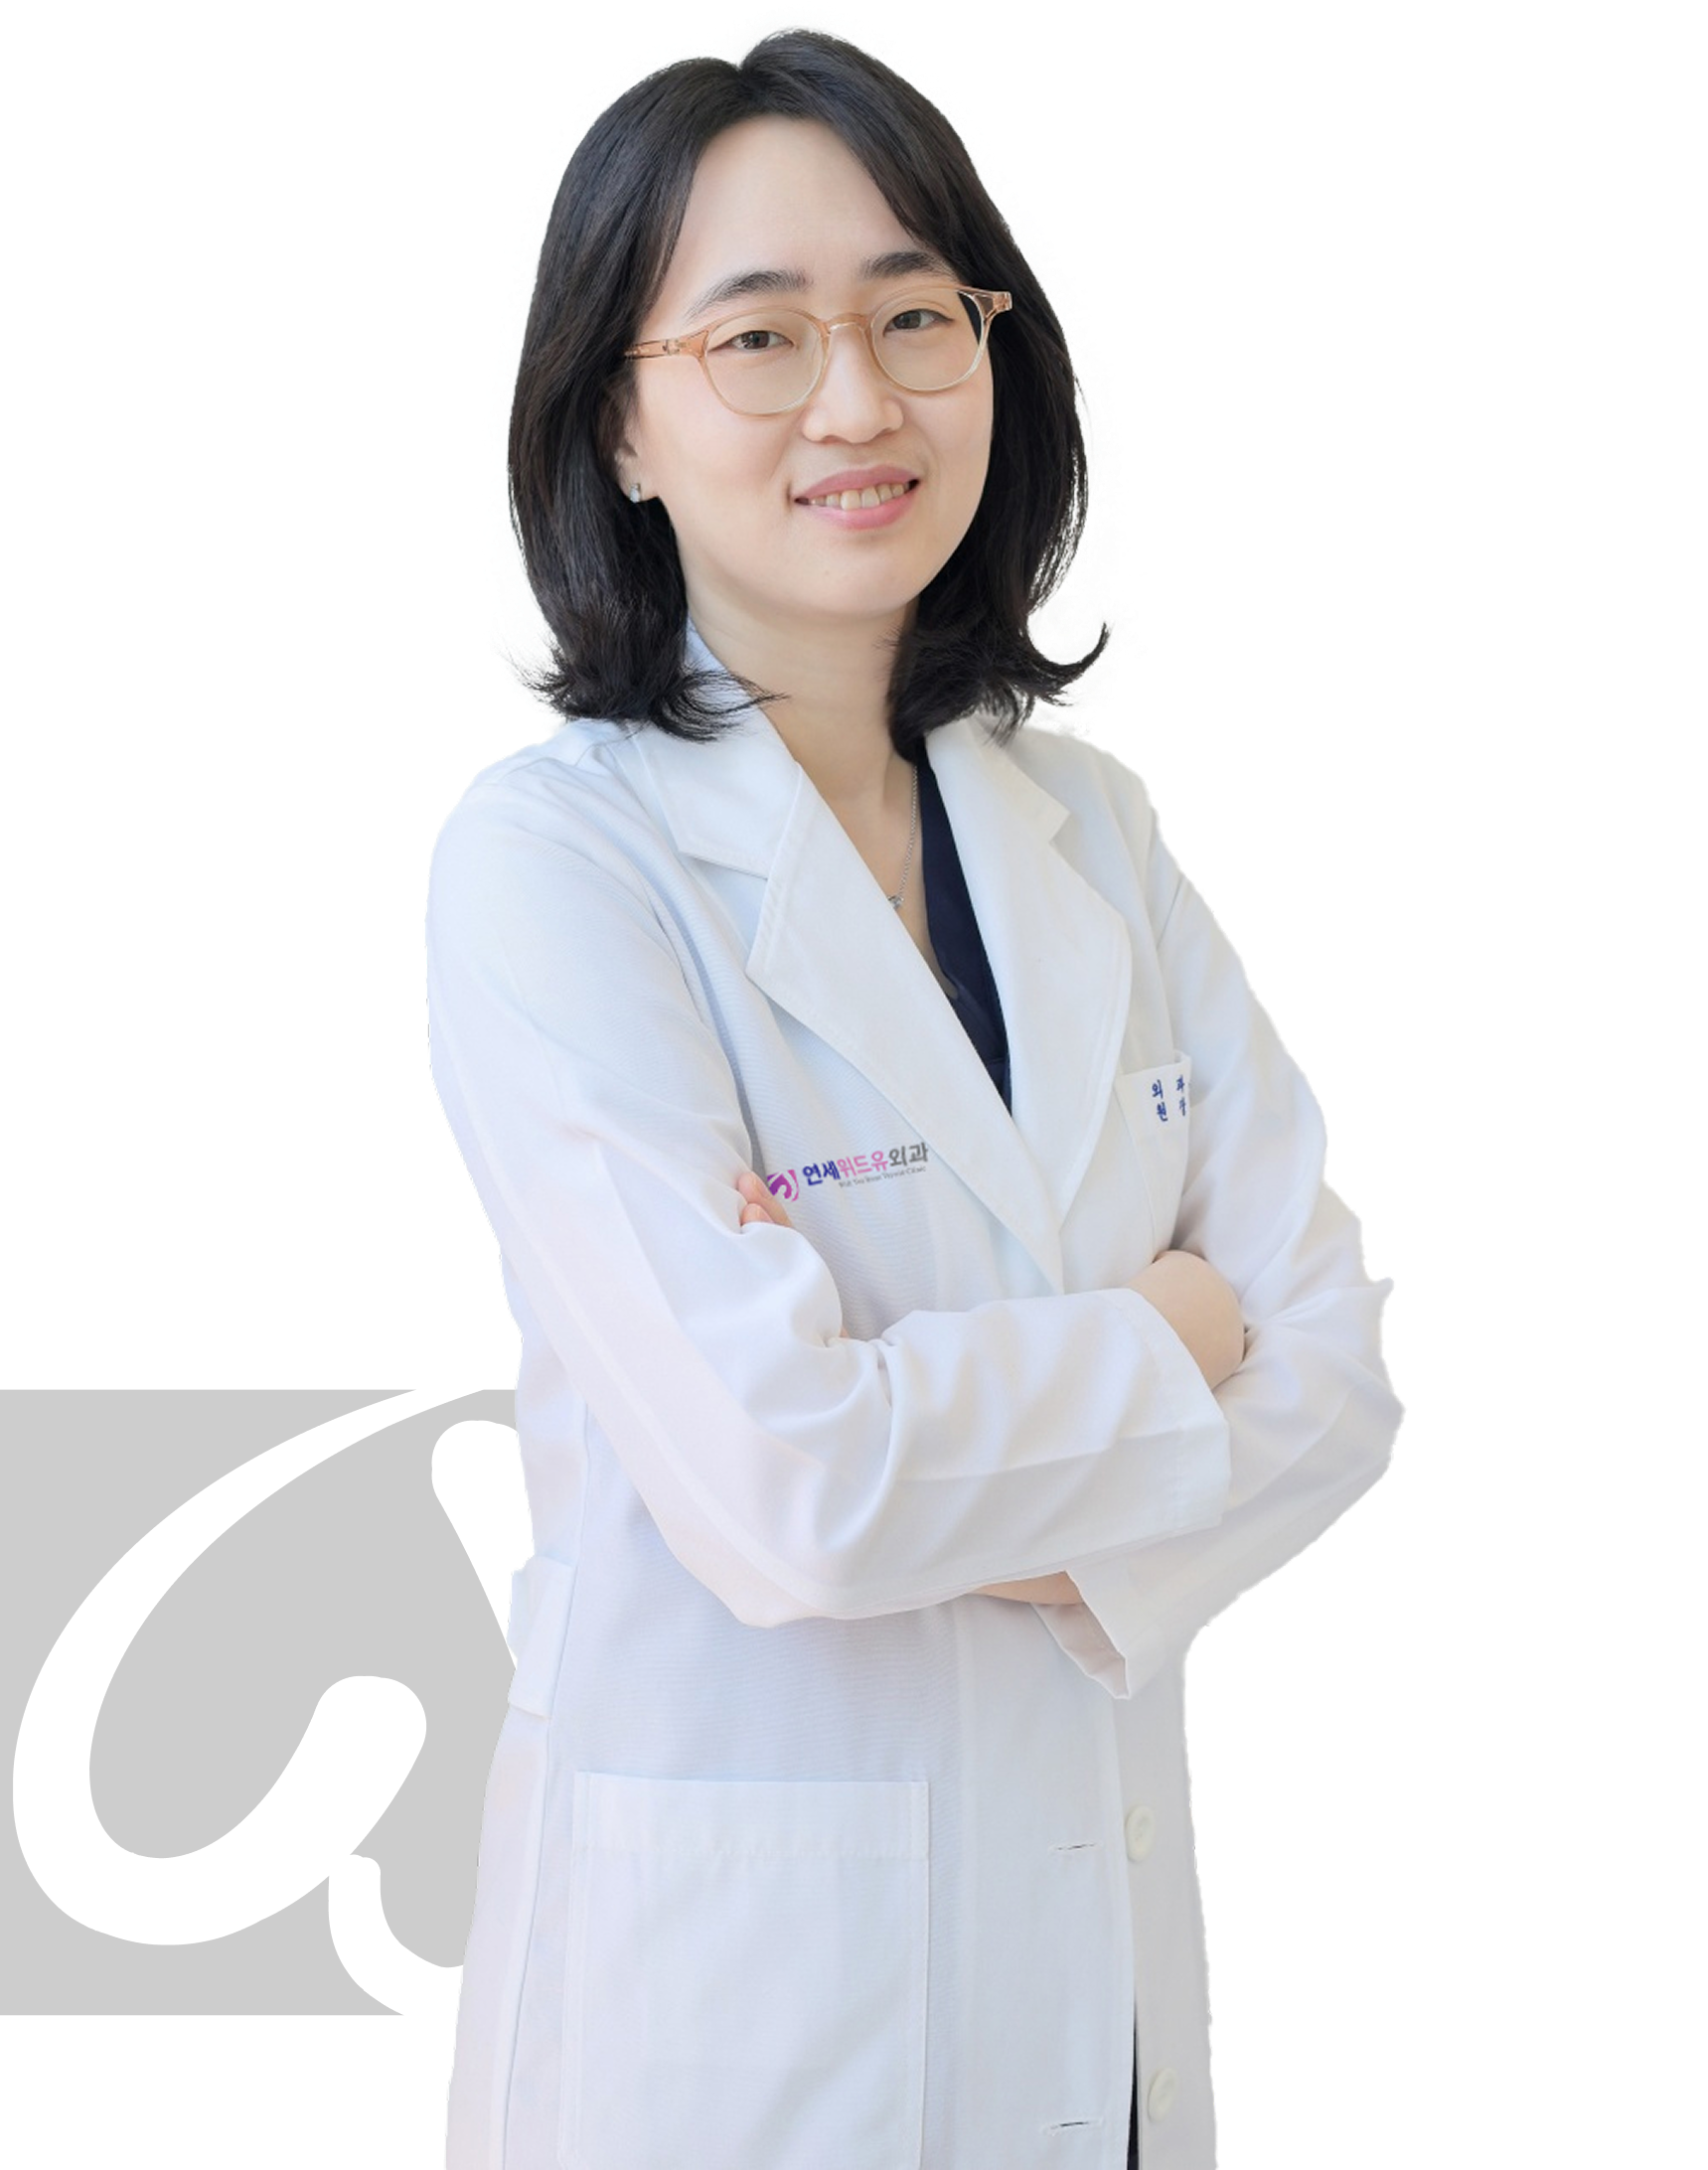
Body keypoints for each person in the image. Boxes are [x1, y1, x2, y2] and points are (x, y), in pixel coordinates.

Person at [426, 20, 1404, 2169]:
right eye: (758, 337)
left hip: (1092, 1994)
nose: (857, 401)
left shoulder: (1090, 826)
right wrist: (1166, 1338)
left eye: (912, 316)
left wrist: (1061, 1531)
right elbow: (791, 1490)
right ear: (618, 420)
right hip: (736, 2038)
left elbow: (1335, 1364)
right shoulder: (553, 863)